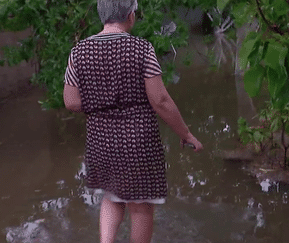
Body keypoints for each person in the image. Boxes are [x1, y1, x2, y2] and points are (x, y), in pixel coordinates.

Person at [63, 0, 203, 242]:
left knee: (111, 196)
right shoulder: (142, 49)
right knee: (140, 206)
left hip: (100, 143)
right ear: (130, 16)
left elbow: (71, 101)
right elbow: (160, 100)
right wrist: (186, 133)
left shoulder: (79, 51)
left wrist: (102, 103)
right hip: (137, 143)